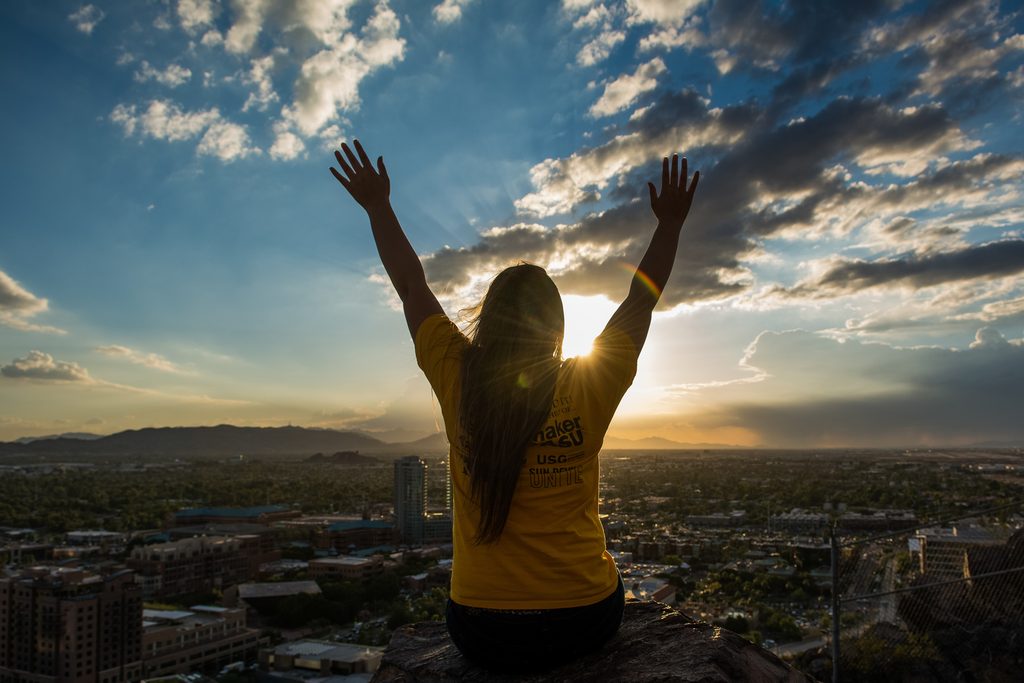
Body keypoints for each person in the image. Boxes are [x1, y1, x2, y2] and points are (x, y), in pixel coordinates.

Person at [330, 140, 698, 672]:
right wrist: (670, 223)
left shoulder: (457, 373)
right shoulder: (588, 382)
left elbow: (412, 287)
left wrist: (379, 208)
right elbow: (642, 299)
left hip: (482, 627)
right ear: (556, 328)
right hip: (584, 617)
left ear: (491, 317)